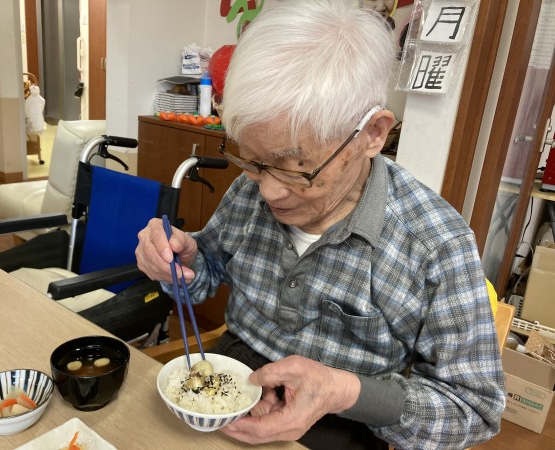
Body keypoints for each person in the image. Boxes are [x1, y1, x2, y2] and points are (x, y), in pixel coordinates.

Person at [136, 1, 506, 448]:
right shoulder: (249, 191)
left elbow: (475, 409)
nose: (269, 191)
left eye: (296, 168)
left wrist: (346, 391)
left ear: (373, 133)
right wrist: (184, 260)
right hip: (227, 391)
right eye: (252, 161)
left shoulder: (435, 244)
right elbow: (208, 272)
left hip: (345, 422)